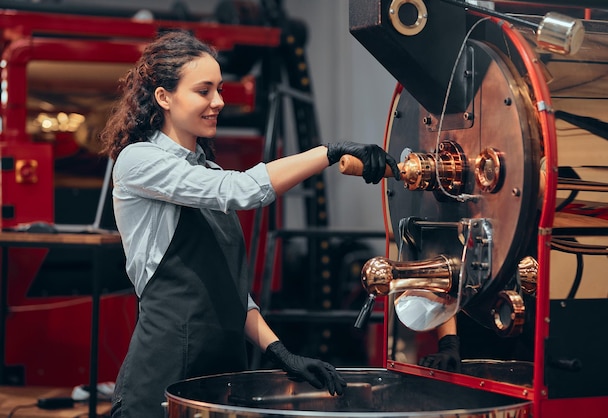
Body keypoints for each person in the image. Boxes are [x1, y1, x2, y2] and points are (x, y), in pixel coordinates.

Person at [99, 29, 400, 417]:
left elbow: (231, 291)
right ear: (164, 97)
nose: (219, 102)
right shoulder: (140, 161)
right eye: (203, 91)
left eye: (220, 90)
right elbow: (242, 190)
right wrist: (330, 151)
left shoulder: (206, 170)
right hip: (162, 378)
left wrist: (280, 352)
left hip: (223, 378)